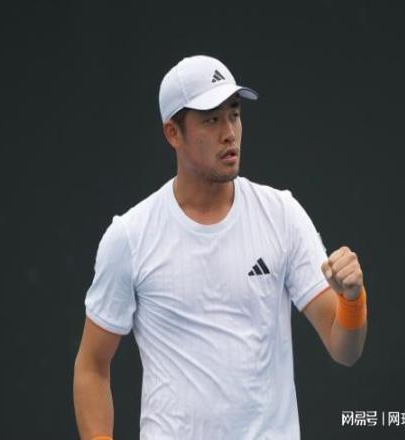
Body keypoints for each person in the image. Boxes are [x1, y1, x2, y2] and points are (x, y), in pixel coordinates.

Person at [73, 55, 368, 440]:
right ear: (173, 133)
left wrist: (352, 299)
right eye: (211, 120)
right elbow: (92, 367)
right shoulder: (130, 236)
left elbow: (344, 349)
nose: (229, 132)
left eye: (234, 114)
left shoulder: (281, 215)